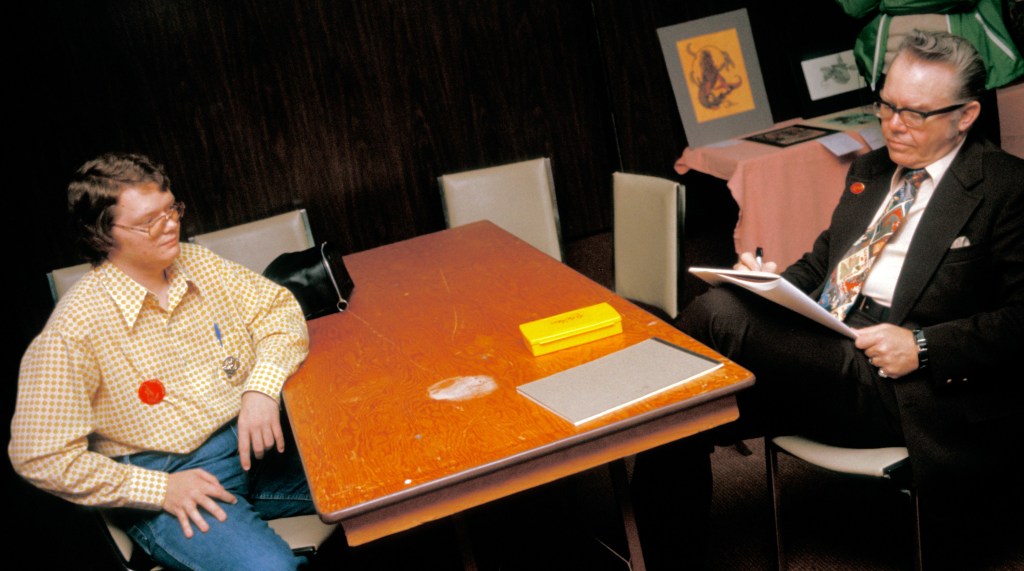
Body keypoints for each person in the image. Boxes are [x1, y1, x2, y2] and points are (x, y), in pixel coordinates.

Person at [678, 30, 1024, 569]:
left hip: (906, 385)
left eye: (916, 113)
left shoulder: (1007, 187)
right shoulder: (871, 170)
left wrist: (925, 345)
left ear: (966, 114)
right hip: (831, 351)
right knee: (683, 417)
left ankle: (638, 390)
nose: (893, 124)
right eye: (886, 105)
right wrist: (769, 282)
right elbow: (826, 264)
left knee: (712, 323)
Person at [9, 153, 318, 570]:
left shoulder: (197, 262)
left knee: (373, 478)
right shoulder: (74, 329)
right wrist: (158, 489)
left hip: (248, 437)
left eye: (171, 208)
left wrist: (261, 389)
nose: (170, 224)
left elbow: (278, 310)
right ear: (104, 235)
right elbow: (38, 455)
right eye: (149, 221)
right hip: (171, 472)